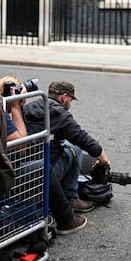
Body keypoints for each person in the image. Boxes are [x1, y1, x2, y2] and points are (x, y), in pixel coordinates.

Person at [0, 76, 88, 235]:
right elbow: (20, 148)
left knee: (56, 155)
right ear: (65, 97)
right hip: (14, 174)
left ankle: (61, 202)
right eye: (18, 89)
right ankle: (64, 212)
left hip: (10, 169)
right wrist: (16, 107)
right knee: (47, 166)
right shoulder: (8, 113)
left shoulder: (13, 109)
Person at [23, 81, 110, 214]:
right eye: (71, 99)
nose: (70, 103)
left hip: (25, 168)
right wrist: (103, 159)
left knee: (65, 145)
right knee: (75, 149)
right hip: (45, 172)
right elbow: (82, 138)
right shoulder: (60, 114)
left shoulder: (29, 107)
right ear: (64, 97)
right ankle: (70, 197)